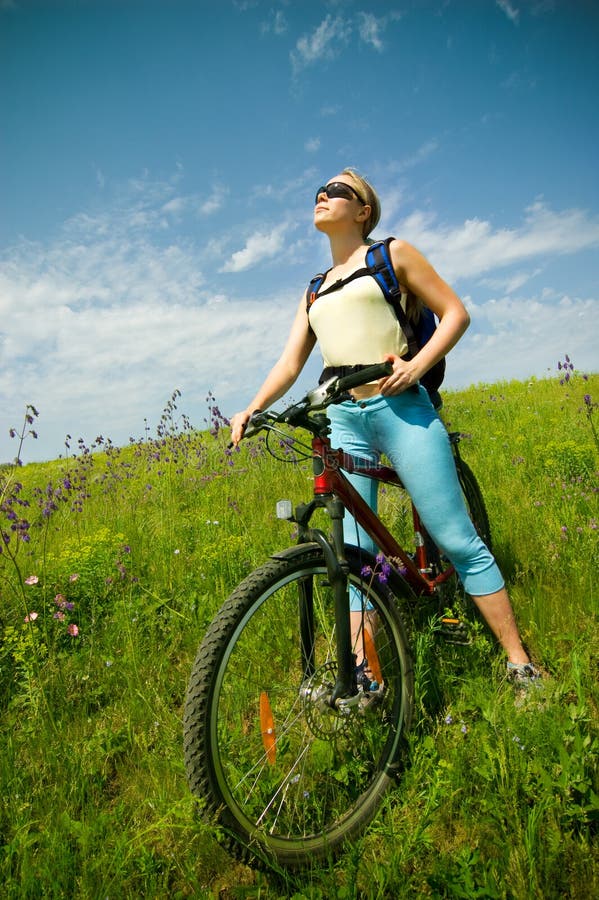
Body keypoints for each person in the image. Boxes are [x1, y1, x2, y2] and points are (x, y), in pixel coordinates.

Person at [230, 168, 540, 687]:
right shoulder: (314, 291)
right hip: (344, 419)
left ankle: (518, 661)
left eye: (337, 192)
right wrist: (251, 407)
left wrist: (416, 367)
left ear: (363, 211)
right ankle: (364, 679)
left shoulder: (391, 255)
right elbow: (289, 365)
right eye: (318, 193)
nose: (323, 197)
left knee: (456, 538)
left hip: (401, 408)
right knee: (355, 559)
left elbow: (455, 313)